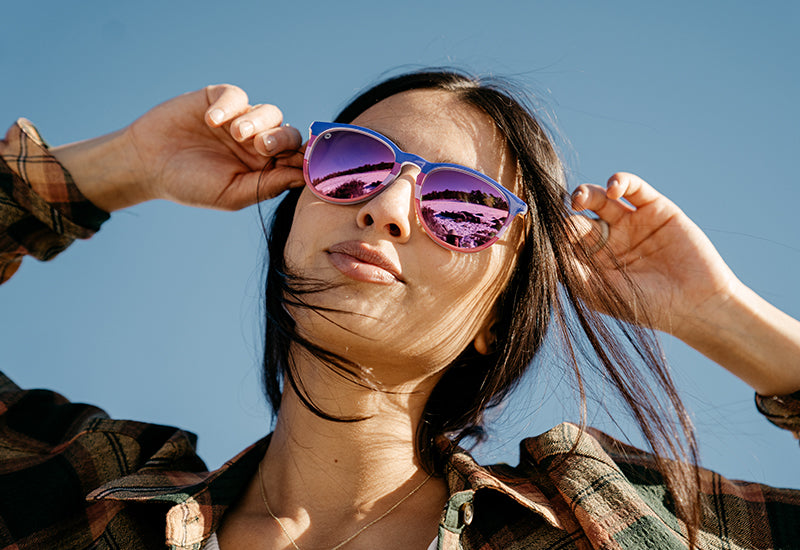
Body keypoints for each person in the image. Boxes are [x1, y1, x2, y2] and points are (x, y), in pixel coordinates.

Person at [1, 69, 799, 550]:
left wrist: (719, 314)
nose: (387, 207)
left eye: (462, 204)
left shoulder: (609, 519)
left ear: (498, 315)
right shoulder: (82, 494)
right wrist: (123, 165)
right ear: (294, 216)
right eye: (353, 161)